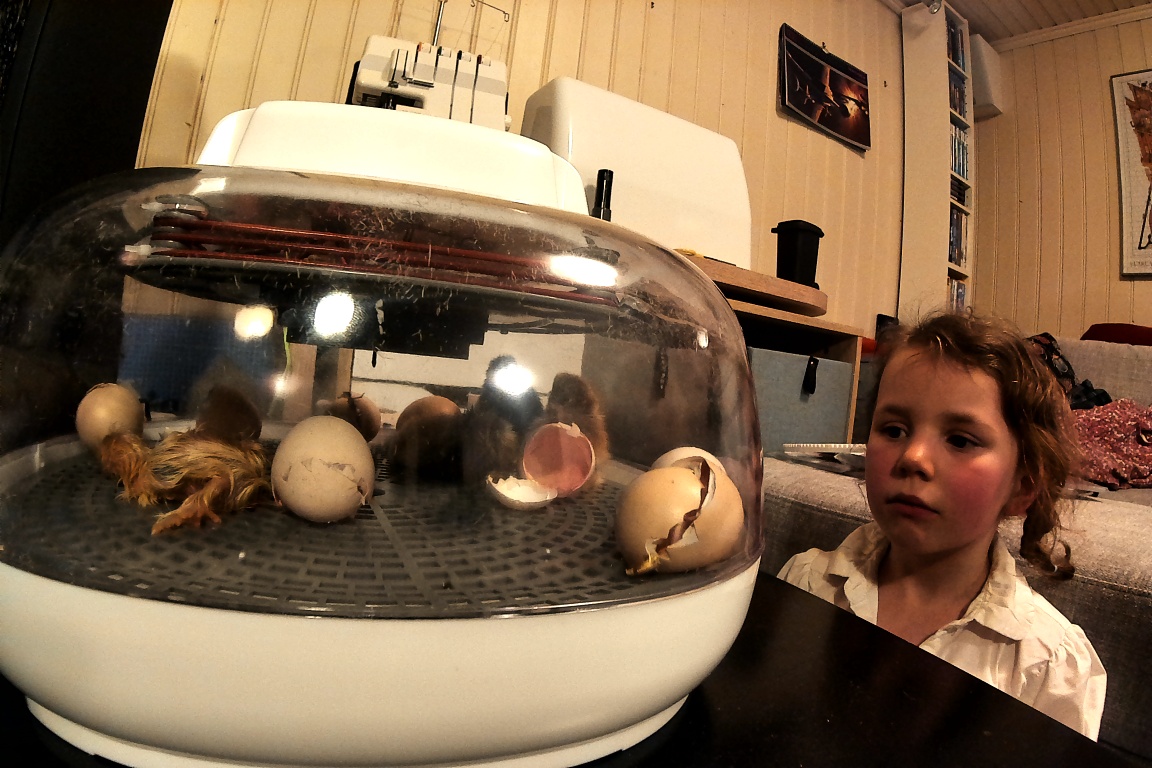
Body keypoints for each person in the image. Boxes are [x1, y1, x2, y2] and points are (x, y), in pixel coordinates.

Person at [778, 311, 1107, 739]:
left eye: (960, 440)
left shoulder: (1049, 664)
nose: (912, 457)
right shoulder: (806, 582)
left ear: (1023, 486)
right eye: (894, 429)